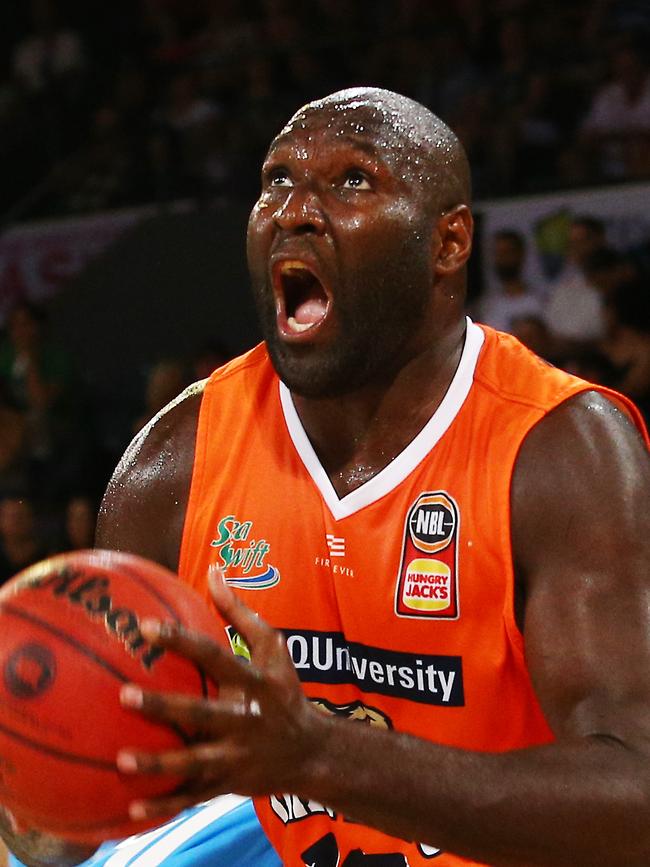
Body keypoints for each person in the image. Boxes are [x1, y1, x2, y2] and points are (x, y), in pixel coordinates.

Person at [2, 87, 650, 867]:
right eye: (276, 179)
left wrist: (319, 756)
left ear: (448, 242)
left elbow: (636, 801)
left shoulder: (560, 451)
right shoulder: (175, 461)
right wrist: (40, 775)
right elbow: (80, 805)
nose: (294, 209)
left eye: (352, 181)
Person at [478, 229, 544, 333]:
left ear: (520, 254)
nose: (502, 258)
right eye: (498, 253)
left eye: (507, 252)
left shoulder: (538, 303)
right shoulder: (486, 305)